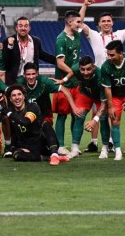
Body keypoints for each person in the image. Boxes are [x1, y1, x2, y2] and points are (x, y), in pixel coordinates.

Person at [79, 0, 125, 153]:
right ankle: (99, 143)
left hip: (117, 79)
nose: (106, 23)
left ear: (112, 23)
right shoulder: (94, 35)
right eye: (103, 21)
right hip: (100, 79)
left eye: (109, 21)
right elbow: (79, 22)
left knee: (111, 112)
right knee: (100, 111)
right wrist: (85, 5)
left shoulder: (120, 34)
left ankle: (110, 143)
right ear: (99, 24)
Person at [5, 84, 70, 166]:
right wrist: (15, 147)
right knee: (16, 155)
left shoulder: (33, 107)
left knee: (45, 124)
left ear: (24, 96)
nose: (17, 97)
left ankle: (54, 154)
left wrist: (7, 112)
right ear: (10, 99)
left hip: (41, 143)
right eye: (14, 95)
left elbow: (26, 121)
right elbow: (13, 132)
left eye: (19, 94)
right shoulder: (10, 112)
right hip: (26, 146)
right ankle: (50, 158)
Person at [52, 10, 83, 158]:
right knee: (62, 115)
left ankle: (74, 146)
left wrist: (85, 5)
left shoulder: (76, 34)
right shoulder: (61, 39)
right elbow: (59, 63)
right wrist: (71, 72)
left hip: (76, 83)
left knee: (76, 114)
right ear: (70, 22)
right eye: (78, 22)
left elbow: (79, 16)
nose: (80, 24)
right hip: (63, 83)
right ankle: (60, 146)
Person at [1, 16, 56, 85]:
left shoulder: (36, 41)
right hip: (13, 81)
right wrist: (10, 46)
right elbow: (4, 61)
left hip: (30, 80)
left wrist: (58, 61)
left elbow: (43, 55)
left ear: (29, 28)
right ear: (16, 28)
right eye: (20, 26)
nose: (23, 28)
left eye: (26, 26)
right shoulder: (8, 41)